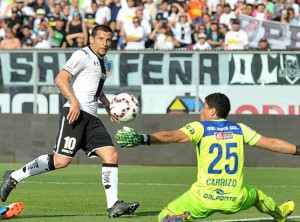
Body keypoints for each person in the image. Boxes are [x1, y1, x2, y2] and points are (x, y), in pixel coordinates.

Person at [0, 25, 139, 218]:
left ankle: (113, 205)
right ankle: (14, 176)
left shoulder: (102, 60)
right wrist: (73, 101)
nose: (105, 43)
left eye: (108, 40)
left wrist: (106, 103)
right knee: (61, 161)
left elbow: (94, 86)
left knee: (111, 154)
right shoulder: (82, 55)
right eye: (101, 39)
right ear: (92, 39)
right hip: (75, 113)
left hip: (92, 117)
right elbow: (61, 78)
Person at [115, 92, 296, 222]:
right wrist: (298, 149)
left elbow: (170, 137)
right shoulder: (240, 129)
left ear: (213, 111)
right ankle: (280, 214)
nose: (201, 111)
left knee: (164, 216)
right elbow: (272, 144)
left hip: (202, 198)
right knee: (257, 196)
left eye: (204, 107)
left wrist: (141, 139)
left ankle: (176, 219)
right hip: (235, 197)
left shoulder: (200, 128)